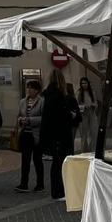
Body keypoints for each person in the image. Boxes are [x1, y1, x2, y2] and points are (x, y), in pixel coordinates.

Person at [39, 72, 74, 201]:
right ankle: (58, 191)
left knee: (57, 163)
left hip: (52, 134)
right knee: (59, 163)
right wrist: (70, 115)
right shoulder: (58, 96)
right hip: (60, 134)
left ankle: (58, 191)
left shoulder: (48, 95)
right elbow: (61, 116)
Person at [14, 80, 44, 193]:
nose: (29, 90)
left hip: (36, 134)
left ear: (37, 90)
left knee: (37, 160)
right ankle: (24, 183)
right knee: (25, 159)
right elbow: (19, 115)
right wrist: (20, 120)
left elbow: (43, 118)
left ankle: (40, 184)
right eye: (28, 88)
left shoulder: (42, 102)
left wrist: (30, 120)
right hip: (25, 133)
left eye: (31, 88)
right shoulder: (23, 101)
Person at [77, 77, 99, 153]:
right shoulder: (79, 93)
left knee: (94, 132)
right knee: (84, 134)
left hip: (92, 113)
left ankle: (93, 150)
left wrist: (93, 105)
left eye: (85, 83)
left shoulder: (92, 92)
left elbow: (96, 103)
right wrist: (83, 106)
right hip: (83, 114)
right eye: (82, 83)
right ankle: (84, 151)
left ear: (88, 83)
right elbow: (77, 105)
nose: (84, 85)